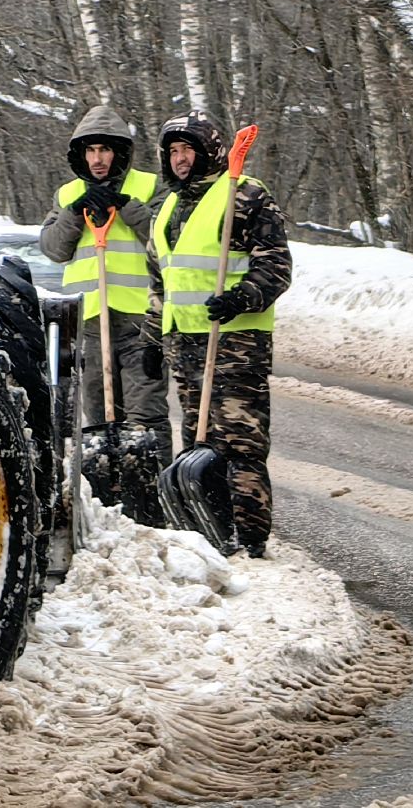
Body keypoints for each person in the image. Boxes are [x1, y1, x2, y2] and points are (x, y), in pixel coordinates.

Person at [143, 112, 292, 557]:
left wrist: (240, 297)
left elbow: (276, 267)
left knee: (240, 442)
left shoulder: (245, 196)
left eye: (187, 149)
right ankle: (208, 530)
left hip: (234, 341)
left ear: (208, 149)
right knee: (198, 442)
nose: (180, 158)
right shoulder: (167, 207)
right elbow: (161, 281)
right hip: (184, 345)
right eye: (172, 151)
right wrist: (153, 339)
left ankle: (248, 537)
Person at [39, 105, 168, 521]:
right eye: (90, 150)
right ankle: (110, 503)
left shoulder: (149, 187)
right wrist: (77, 213)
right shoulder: (65, 195)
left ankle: (156, 501)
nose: (97, 159)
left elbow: (168, 239)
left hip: (140, 321)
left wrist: (127, 207)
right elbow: (54, 250)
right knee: (96, 419)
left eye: (105, 150)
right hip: (90, 325)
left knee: (146, 414)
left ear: (120, 153)